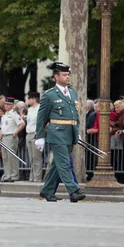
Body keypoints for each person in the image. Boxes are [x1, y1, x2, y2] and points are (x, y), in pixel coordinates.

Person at [35, 62, 85, 203]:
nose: (67, 77)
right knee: (64, 163)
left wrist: (77, 131)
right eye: (64, 75)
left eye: (68, 74)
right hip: (56, 133)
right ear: (56, 77)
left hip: (69, 133)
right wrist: (40, 136)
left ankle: (47, 191)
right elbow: (42, 117)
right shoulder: (49, 95)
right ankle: (74, 191)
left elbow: (75, 113)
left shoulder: (73, 92)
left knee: (57, 165)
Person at [0, 97, 25, 182]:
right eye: (6, 104)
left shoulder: (14, 114)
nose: (6, 106)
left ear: (12, 105)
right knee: (5, 157)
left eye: (8, 104)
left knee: (11, 157)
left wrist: (16, 133)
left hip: (11, 136)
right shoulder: (5, 115)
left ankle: (14, 175)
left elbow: (22, 124)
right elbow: (2, 129)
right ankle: (7, 175)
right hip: (4, 137)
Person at [25, 91, 43, 182]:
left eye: (29, 98)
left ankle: (37, 177)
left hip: (36, 134)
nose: (27, 100)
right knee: (31, 157)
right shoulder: (30, 109)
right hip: (28, 133)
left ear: (34, 99)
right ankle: (32, 176)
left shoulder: (40, 108)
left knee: (37, 157)